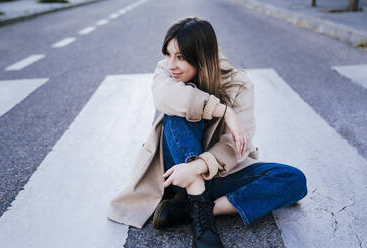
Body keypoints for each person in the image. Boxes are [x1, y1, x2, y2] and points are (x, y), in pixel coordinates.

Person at [107, 17, 308, 248]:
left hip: (216, 172)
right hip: (175, 173)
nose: (171, 63)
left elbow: (235, 145)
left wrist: (196, 167)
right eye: (168, 54)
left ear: (201, 55)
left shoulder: (239, 84)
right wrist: (223, 111)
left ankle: (192, 207)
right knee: (178, 110)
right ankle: (202, 220)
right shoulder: (166, 71)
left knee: (294, 180)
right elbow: (164, 98)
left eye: (180, 57)